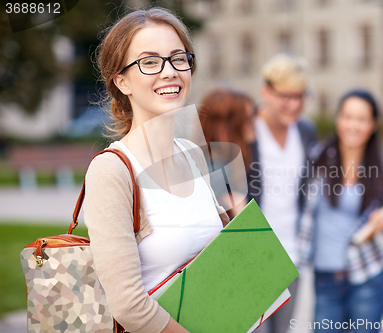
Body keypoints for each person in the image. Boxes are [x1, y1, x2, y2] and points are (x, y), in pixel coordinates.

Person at [83, 8, 229, 333]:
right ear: (122, 81)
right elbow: (129, 305)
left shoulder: (193, 154)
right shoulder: (111, 171)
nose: (170, 72)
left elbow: (219, 255)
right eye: (149, 62)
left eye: (179, 58)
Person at [297, 89, 383, 332]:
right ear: (338, 119)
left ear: (373, 125)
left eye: (362, 119)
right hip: (325, 281)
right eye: (347, 117)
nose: (353, 125)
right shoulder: (317, 159)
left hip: (367, 278)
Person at [250, 53, 317, 333]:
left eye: (300, 97)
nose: (294, 105)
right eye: (286, 96)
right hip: (251, 258)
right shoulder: (247, 129)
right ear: (266, 91)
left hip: (291, 255)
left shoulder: (304, 131)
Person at [199, 87, 256, 218]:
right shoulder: (216, 173)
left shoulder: (233, 163)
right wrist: (243, 215)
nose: (254, 124)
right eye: (248, 119)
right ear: (228, 126)